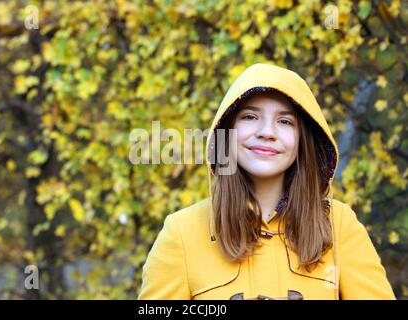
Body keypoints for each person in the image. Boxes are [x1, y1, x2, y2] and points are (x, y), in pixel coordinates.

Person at [138, 63, 395, 300]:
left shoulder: (339, 226)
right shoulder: (182, 233)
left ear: (302, 141)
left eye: (284, 121)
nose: (267, 132)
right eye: (250, 117)